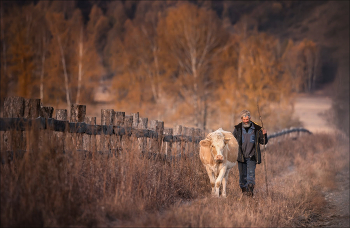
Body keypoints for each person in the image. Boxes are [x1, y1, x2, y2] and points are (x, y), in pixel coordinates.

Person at [233, 110, 268, 197]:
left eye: (247, 119)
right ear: (241, 119)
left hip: (252, 156)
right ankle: (244, 193)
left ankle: (250, 193)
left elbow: (263, 142)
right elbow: (233, 142)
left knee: (250, 176)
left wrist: (264, 135)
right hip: (241, 156)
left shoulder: (257, 129)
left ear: (250, 118)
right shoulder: (237, 129)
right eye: (244, 119)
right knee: (242, 177)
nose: (246, 121)